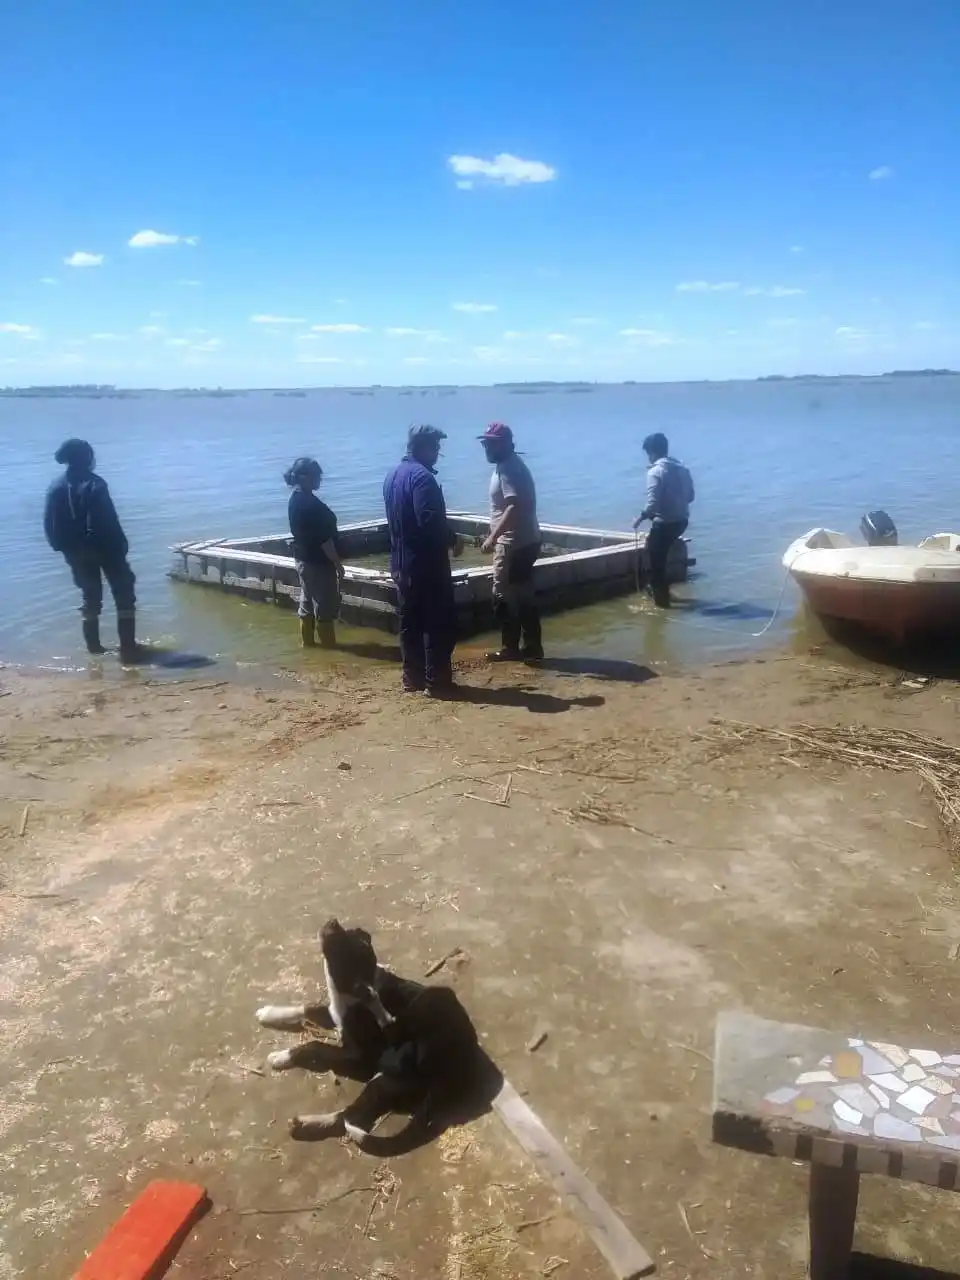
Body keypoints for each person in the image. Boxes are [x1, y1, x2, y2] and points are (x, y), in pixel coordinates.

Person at [383, 425, 463, 694]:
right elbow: (429, 521)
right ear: (421, 447)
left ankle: (412, 679)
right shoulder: (422, 478)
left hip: (400, 565)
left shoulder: (392, 475)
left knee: (409, 623)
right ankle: (436, 682)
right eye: (435, 446)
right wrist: (453, 539)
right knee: (437, 623)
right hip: (426, 565)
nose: (438, 452)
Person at [43, 438, 139, 662]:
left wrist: (63, 548)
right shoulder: (96, 484)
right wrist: (121, 545)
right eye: (91, 454)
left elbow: (49, 524)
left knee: (90, 597)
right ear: (85, 458)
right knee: (124, 593)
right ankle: (128, 648)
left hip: (76, 552)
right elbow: (108, 521)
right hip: (106, 548)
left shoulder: (55, 487)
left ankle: (94, 650)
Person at [479, 422, 543, 660]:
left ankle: (510, 648)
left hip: (513, 542)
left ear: (505, 444)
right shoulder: (510, 465)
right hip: (526, 539)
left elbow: (514, 507)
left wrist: (493, 537)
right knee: (523, 592)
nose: (486, 447)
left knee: (502, 593)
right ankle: (533, 647)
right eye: (485, 443)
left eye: (491, 443)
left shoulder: (507, 469)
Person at [284, 456, 345, 648]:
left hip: (303, 560)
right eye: (316, 476)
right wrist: (337, 563)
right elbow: (324, 541)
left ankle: (309, 647)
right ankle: (330, 650)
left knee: (307, 603)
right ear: (304, 477)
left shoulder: (295, 499)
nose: (319, 479)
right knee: (325, 608)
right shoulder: (311, 505)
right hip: (319, 563)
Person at [633, 432, 694, 607]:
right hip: (682, 521)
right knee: (660, 549)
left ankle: (662, 604)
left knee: (656, 564)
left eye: (648, 454)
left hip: (665, 524)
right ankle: (659, 592)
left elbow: (652, 504)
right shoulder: (683, 468)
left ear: (652, 453)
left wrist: (639, 519)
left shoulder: (655, 472)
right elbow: (690, 497)